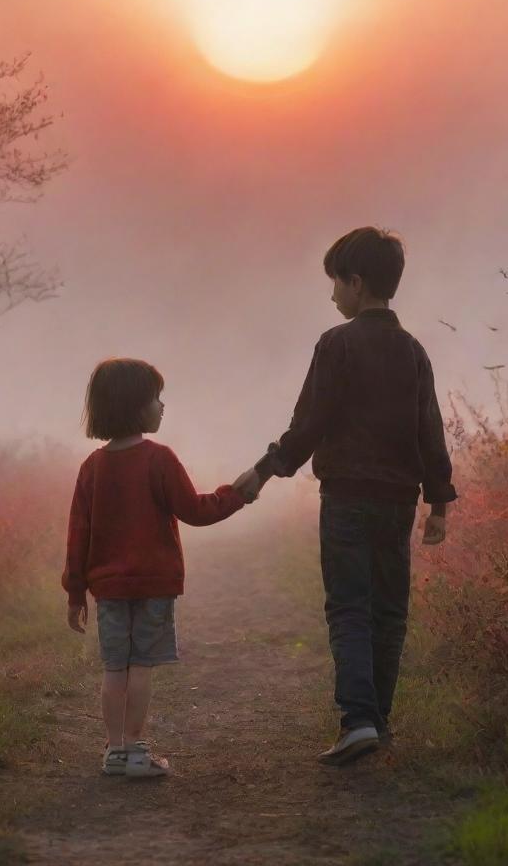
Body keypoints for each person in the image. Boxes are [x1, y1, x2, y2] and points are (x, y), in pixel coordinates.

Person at [234, 226, 457, 767]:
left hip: (347, 498)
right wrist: (439, 502)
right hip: (399, 501)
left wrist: (265, 470)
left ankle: (358, 720)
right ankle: (377, 719)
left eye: (335, 283)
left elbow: (310, 423)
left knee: (349, 609)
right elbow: (431, 430)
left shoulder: (337, 344)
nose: (332, 294)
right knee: (389, 611)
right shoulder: (414, 351)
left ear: (356, 283)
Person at [63, 357, 253, 778]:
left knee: (114, 668)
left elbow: (79, 535)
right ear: (136, 406)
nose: (162, 406)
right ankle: (136, 750)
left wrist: (76, 593)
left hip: (108, 589)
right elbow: (197, 510)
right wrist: (238, 493)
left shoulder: (92, 468)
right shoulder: (159, 459)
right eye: (156, 398)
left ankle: (114, 751)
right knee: (141, 666)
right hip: (153, 585)